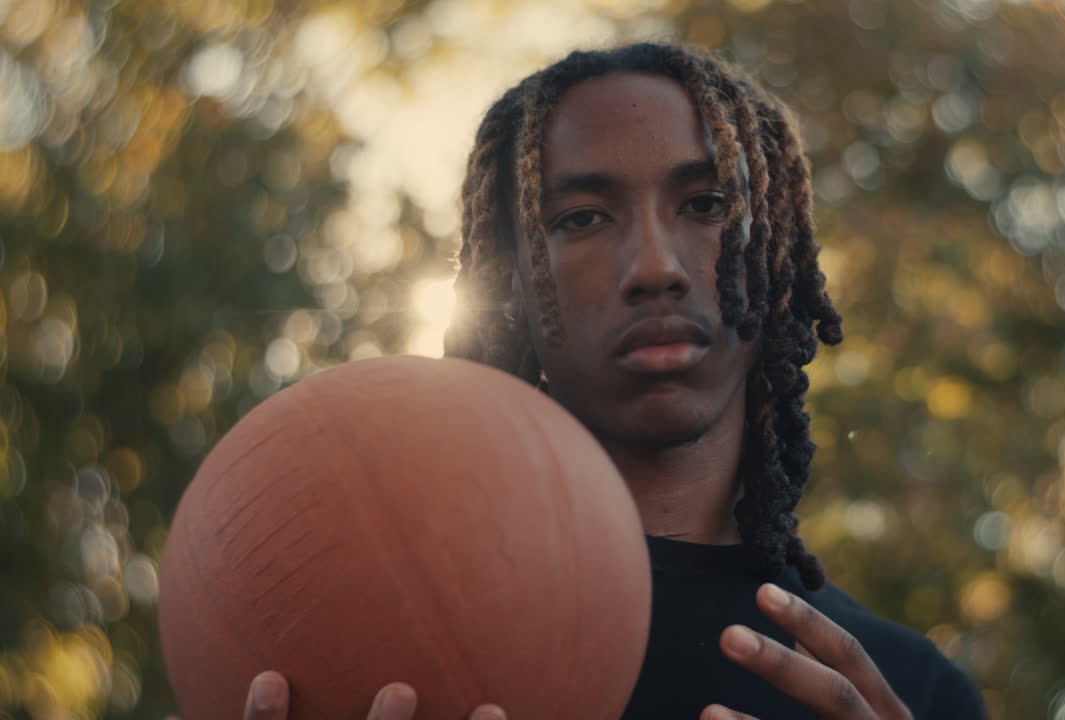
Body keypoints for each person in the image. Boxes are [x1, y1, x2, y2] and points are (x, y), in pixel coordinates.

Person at [234, 42, 987, 720]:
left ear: (780, 257)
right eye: (584, 218)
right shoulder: (373, 638)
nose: (655, 266)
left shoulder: (909, 693)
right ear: (513, 286)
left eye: (706, 204)